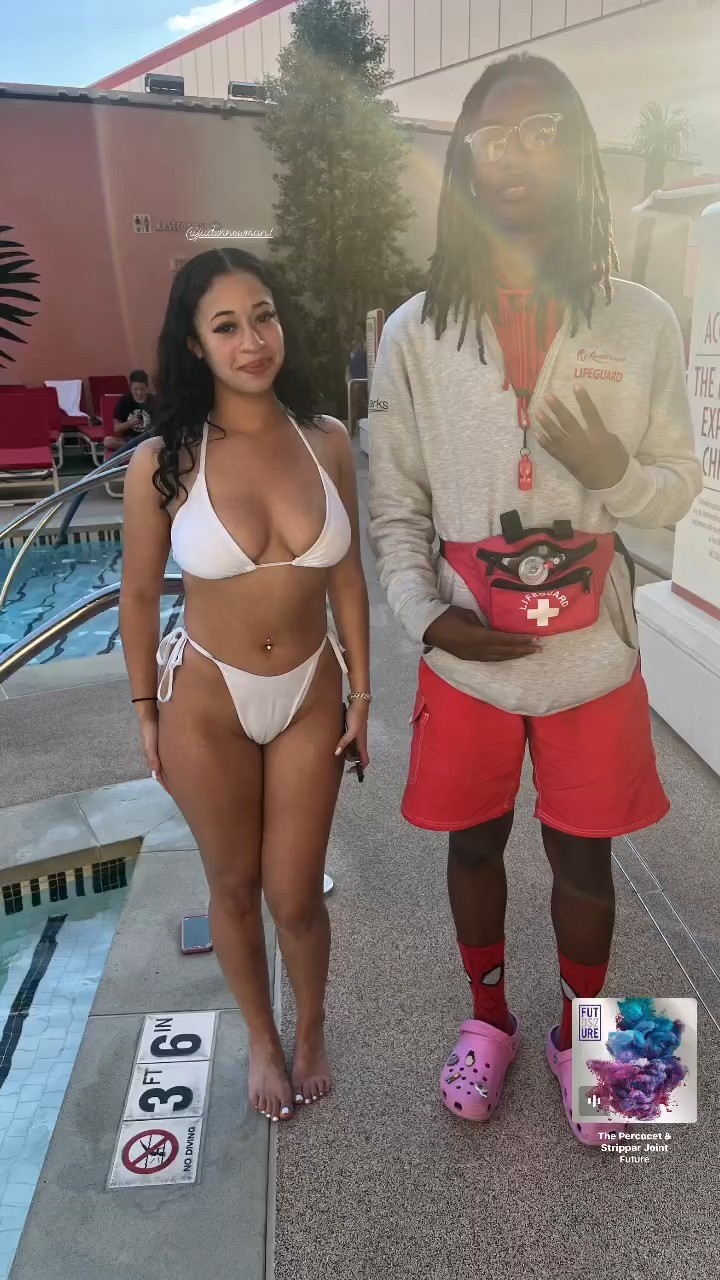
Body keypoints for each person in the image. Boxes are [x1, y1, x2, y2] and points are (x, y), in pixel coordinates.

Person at [368, 54, 701, 1145]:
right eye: (492, 136)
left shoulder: (641, 320)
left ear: (578, 152)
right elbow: (396, 507)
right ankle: (490, 1020)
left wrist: (613, 471)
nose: (515, 156)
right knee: (472, 843)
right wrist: (425, 618)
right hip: (469, 651)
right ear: (464, 159)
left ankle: (585, 1038)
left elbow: (678, 486)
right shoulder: (415, 332)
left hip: (591, 657)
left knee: (585, 855)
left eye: (543, 131)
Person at [120, 248, 371, 1124]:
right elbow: (139, 595)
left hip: (309, 693)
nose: (253, 340)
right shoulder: (165, 460)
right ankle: (262, 1037)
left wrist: (364, 694)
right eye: (226, 326)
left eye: (263, 316)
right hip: (207, 701)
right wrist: (145, 711)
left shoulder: (326, 441)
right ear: (195, 344)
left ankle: (312, 1028)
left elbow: (347, 579)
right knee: (231, 886)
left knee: (295, 895)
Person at [104, 370, 155, 459]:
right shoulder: (124, 401)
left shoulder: (155, 401)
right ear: (130, 387)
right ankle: (138, 449)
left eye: (142, 389)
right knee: (108, 441)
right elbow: (116, 428)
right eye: (135, 389)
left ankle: (134, 449)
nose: (139, 392)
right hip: (129, 439)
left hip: (148, 439)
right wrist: (129, 424)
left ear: (147, 387)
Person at [346, 329, 368, 435]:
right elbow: (349, 364)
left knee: (355, 406)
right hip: (353, 380)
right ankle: (352, 429)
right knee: (355, 405)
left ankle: (351, 431)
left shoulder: (364, 346)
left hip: (360, 380)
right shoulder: (354, 346)